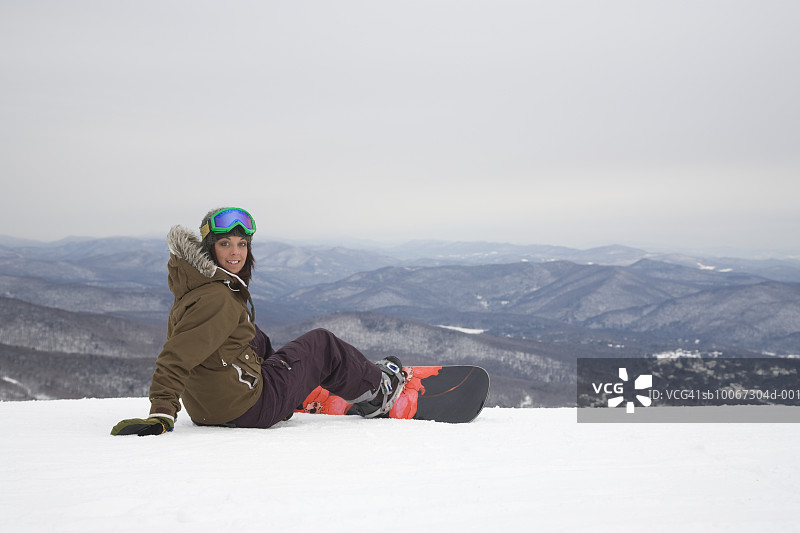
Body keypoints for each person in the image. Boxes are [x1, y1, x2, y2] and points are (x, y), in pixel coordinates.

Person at [112, 207, 404, 436]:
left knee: (252, 335)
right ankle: (380, 392)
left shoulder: (195, 286)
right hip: (245, 408)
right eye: (225, 243)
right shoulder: (217, 299)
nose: (236, 252)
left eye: (242, 243)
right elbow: (175, 356)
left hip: (210, 407)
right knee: (322, 344)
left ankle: (292, 392)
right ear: (209, 248)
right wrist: (162, 412)